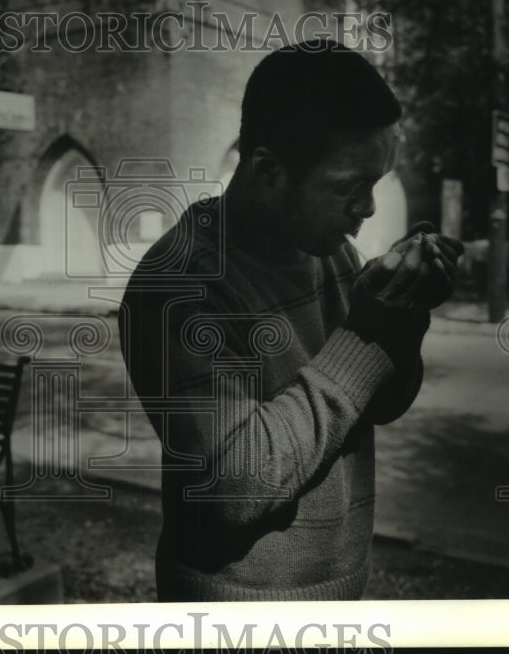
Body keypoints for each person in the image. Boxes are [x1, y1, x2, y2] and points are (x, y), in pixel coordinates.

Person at [120, 40, 464, 601]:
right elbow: (238, 485)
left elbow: (380, 403)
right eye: (350, 187)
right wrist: (365, 334)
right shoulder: (179, 285)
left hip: (340, 590)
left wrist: (405, 315)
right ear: (269, 170)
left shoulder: (329, 250)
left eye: (374, 184)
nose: (369, 208)